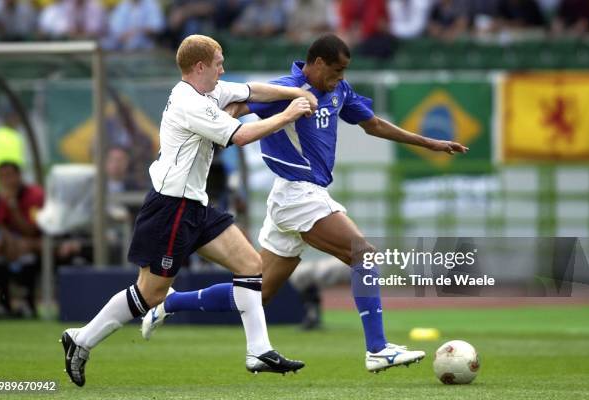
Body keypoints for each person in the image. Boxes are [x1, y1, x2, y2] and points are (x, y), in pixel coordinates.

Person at [141, 34, 469, 373]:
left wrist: (429, 142)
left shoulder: (338, 90)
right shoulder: (286, 90)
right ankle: (378, 349)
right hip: (298, 193)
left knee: (259, 292)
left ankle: (169, 303)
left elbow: (371, 124)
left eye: (345, 71)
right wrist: (212, 127)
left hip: (295, 196)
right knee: (364, 255)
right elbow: (236, 108)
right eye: (336, 70)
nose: (341, 77)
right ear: (317, 63)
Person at [60, 34, 317, 387]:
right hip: (171, 207)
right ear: (200, 67)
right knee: (151, 294)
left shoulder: (209, 91)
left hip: (195, 203)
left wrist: (295, 92)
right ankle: (82, 339)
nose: (222, 68)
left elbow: (251, 90)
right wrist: (290, 113)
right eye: (218, 62)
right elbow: (240, 136)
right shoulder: (189, 102)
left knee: (250, 266)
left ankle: (259, 350)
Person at [0, 162, 44, 318]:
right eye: (1, 177)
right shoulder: (2, 197)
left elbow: (31, 230)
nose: (5, 181)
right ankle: (3, 303)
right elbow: (2, 225)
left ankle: (27, 302)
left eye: (9, 176)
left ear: (19, 176)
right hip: (13, 244)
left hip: (37, 243)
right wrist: (9, 242)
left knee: (27, 254)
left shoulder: (35, 195)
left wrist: (13, 206)